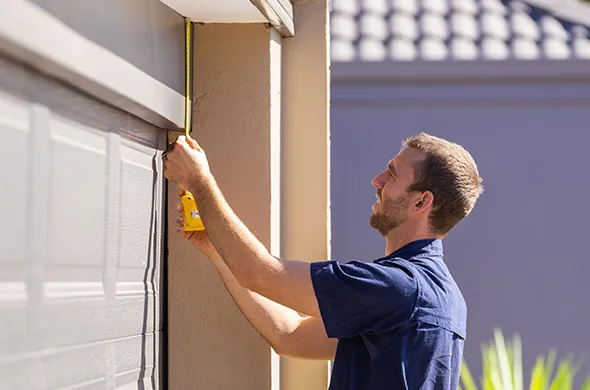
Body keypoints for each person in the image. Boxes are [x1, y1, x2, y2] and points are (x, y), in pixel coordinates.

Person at [163, 132, 483, 390]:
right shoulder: (441, 297)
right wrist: (217, 249)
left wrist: (199, 181)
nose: (377, 180)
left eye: (392, 174)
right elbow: (289, 335)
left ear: (421, 201)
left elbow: (259, 273)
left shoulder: (399, 288)